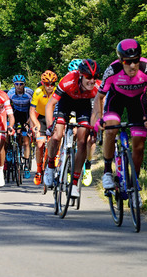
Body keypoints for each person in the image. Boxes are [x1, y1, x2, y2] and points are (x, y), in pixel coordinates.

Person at [92, 39, 147, 207]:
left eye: (136, 60)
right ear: (121, 60)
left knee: (139, 146)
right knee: (110, 129)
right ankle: (107, 172)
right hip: (116, 99)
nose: (132, 66)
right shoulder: (112, 70)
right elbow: (100, 97)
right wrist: (99, 118)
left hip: (137, 102)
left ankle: (134, 187)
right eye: (128, 61)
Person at [44, 59, 102, 197]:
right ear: (81, 75)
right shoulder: (68, 81)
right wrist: (50, 126)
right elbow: (50, 105)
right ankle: (51, 166)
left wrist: (95, 127)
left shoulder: (98, 87)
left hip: (83, 106)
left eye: (95, 77)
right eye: (88, 77)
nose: (92, 81)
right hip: (65, 103)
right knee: (57, 135)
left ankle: (75, 183)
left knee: (82, 142)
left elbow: (99, 110)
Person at [68, 59, 95, 186]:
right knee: (71, 131)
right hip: (72, 111)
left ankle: (88, 166)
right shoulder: (69, 82)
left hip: (88, 111)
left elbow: (96, 106)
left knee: (90, 139)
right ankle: (67, 162)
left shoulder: (92, 85)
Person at [29, 70, 57, 185]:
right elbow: (31, 111)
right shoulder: (38, 92)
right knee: (40, 144)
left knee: (56, 139)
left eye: (52, 84)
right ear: (43, 84)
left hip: (55, 117)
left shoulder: (58, 91)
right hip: (41, 117)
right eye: (47, 84)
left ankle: (56, 162)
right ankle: (39, 170)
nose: (50, 87)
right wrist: (36, 124)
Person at [7, 74, 34, 179]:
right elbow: (7, 109)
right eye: (16, 84)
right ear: (14, 85)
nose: (19, 86)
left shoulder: (29, 93)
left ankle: (26, 165)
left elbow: (33, 110)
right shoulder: (10, 93)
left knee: (26, 141)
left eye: (21, 84)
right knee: (13, 131)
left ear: (24, 85)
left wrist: (28, 123)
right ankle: (10, 148)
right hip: (16, 113)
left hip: (27, 114)